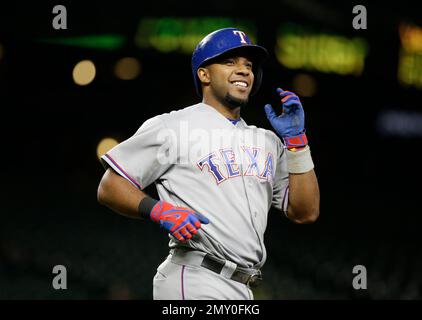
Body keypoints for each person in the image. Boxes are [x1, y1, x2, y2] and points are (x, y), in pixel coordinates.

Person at [97, 27, 320, 300]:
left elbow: (305, 211)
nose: (243, 70)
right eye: (229, 62)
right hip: (195, 278)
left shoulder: (267, 141)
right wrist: (157, 210)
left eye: (248, 65)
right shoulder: (174, 126)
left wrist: (297, 143)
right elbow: (109, 186)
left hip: (243, 286)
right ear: (204, 74)